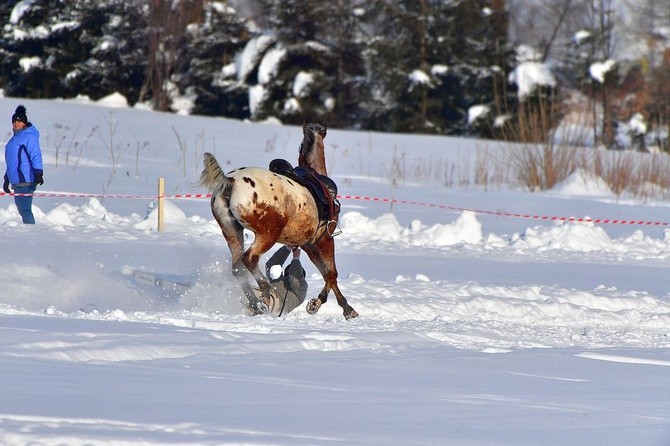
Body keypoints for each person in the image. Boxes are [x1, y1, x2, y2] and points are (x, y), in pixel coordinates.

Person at [3, 105, 44, 224]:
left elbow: (35, 155)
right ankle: (30, 232)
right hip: (17, 181)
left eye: (19, 121)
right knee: (23, 210)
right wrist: (7, 179)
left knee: (25, 210)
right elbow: (12, 162)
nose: (16, 124)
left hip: (25, 178)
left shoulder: (28, 136)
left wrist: (38, 173)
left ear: (24, 123)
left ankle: (31, 233)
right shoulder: (15, 139)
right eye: (14, 121)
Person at [261, 245, 309, 317]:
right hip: (260, 298)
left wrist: (296, 258)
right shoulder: (280, 281)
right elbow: (271, 266)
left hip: (273, 310)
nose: (289, 270)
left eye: (291, 269)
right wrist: (287, 248)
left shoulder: (301, 289)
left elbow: (295, 278)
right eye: (288, 269)